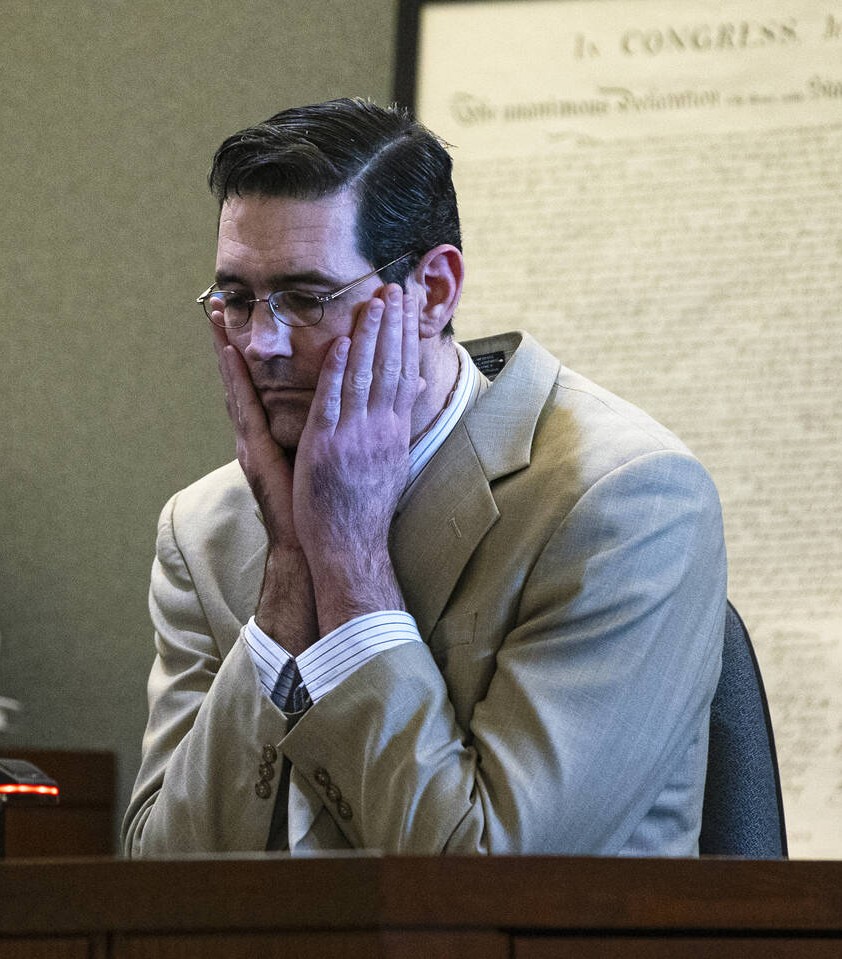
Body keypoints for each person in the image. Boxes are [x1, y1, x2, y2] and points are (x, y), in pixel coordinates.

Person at [122, 97, 726, 856]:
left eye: (306, 298)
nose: (263, 342)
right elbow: (156, 875)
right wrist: (287, 574)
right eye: (238, 301)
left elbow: (484, 879)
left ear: (433, 291)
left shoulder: (624, 501)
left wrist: (345, 560)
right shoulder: (201, 528)